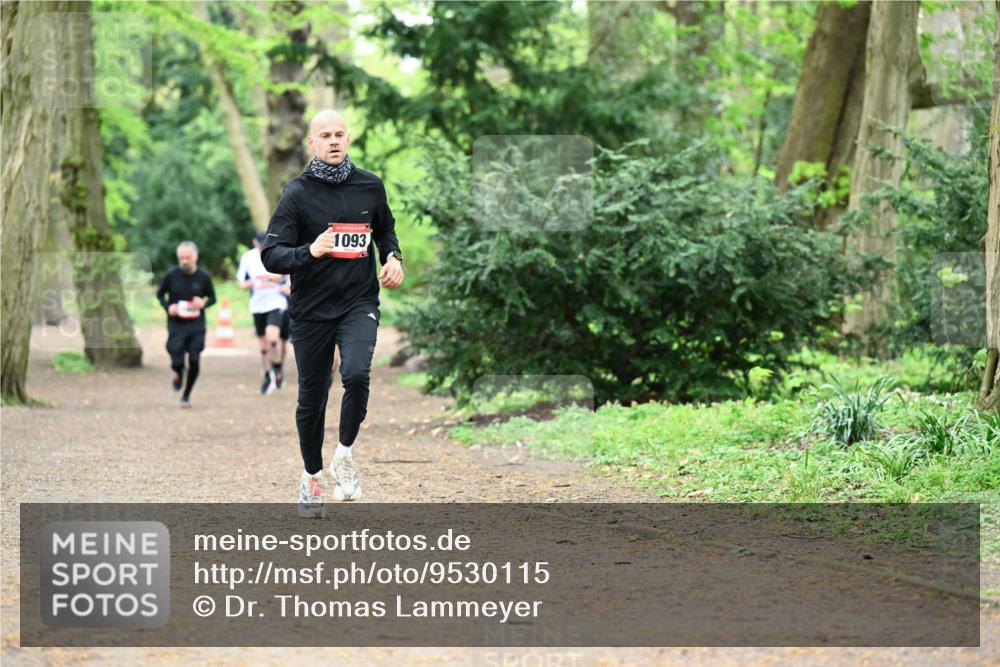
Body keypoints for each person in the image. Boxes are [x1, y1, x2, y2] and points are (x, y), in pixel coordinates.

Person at [261, 109, 403, 517]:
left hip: (359, 302)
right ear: (312, 143)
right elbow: (272, 255)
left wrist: (393, 257)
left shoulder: (370, 186)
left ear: (348, 138)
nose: (334, 140)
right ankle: (311, 477)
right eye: (325, 135)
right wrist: (311, 250)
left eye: (340, 133)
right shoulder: (297, 193)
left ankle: (344, 454)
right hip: (311, 310)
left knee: (357, 373)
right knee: (313, 397)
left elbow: (386, 232)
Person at [156, 241, 217, 408]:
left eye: (188, 257)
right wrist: (169, 307)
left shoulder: (203, 277)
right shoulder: (171, 275)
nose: (184, 261)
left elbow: (213, 298)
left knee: (195, 360)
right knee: (176, 357)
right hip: (176, 324)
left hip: (196, 324)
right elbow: (160, 294)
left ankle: (186, 394)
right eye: (181, 258)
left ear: (195, 256)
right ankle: (178, 373)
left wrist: (203, 303)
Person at [238, 232, 291, 395]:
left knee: (273, 338)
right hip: (257, 305)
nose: (262, 247)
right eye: (260, 244)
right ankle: (269, 373)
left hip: (276, 302)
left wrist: (282, 284)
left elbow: (289, 275)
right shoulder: (248, 258)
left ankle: (277, 371)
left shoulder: (278, 252)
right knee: (263, 346)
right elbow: (241, 283)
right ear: (255, 243)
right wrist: (253, 282)